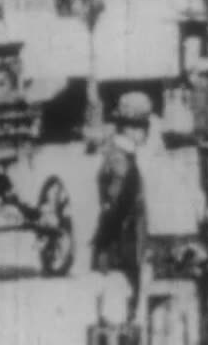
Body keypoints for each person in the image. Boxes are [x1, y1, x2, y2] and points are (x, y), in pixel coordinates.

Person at [92, 92, 151, 322]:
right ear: (133, 128)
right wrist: (106, 239)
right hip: (122, 247)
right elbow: (116, 204)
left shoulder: (119, 155)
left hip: (121, 247)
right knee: (118, 312)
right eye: (143, 126)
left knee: (117, 310)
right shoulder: (120, 160)